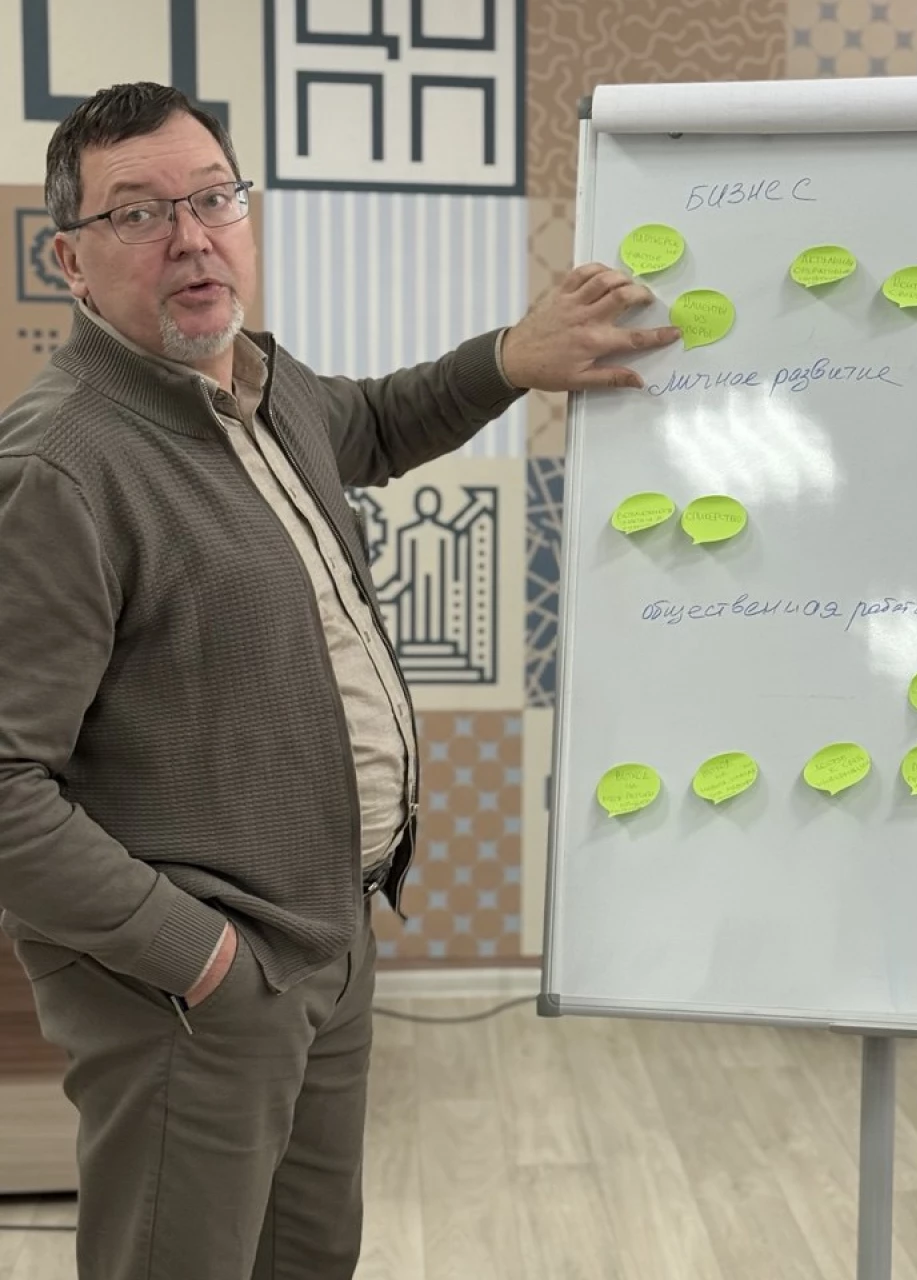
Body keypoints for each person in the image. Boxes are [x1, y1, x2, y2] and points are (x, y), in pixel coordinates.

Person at [0, 81, 677, 1280]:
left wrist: (510, 358)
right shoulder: (60, 466)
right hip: (194, 984)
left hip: (324, 932)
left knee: (309, 1256)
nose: (192, 237)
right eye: (140, 213)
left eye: (215, 198)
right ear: (70, 260)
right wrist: (202, 958)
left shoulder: (257, 389)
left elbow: (369, 421)